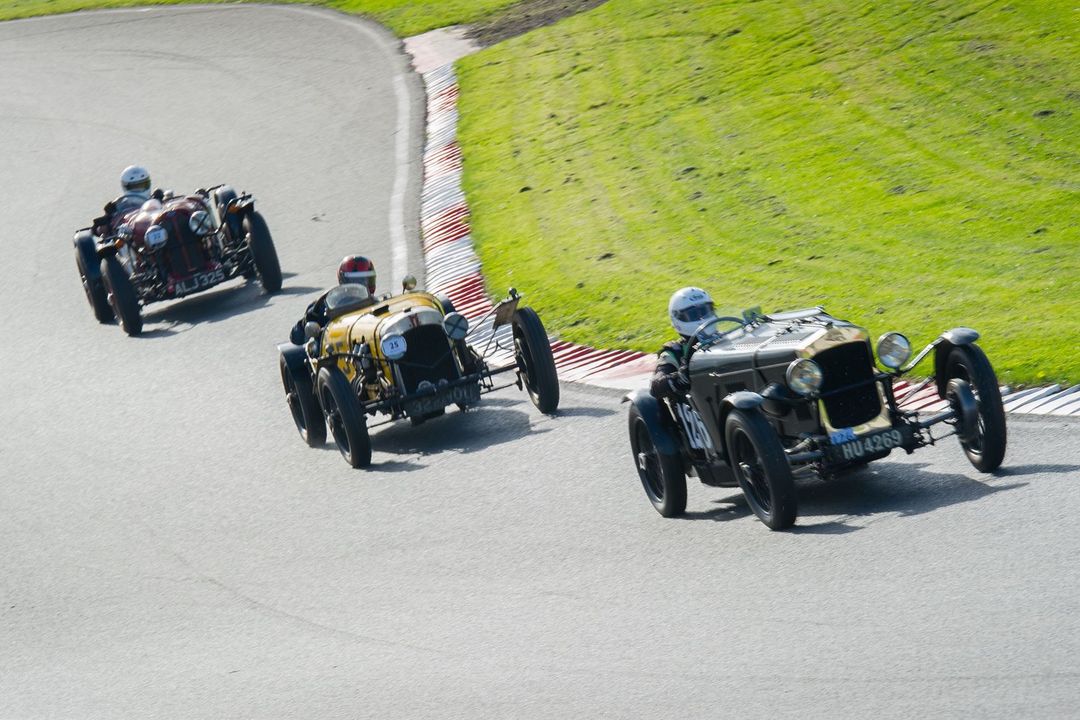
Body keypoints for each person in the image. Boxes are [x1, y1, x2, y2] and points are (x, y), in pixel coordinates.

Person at [289, 255, 377, 345]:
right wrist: (307, 320)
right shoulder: (324, 306)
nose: (361, 285)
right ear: (344, 280)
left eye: (366, 280)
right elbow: (296, 338)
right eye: (357, 281)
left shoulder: (376, 305)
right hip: (332, 349)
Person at [650, 286, 718, 400]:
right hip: (696, 403)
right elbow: (656, 387)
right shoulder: (674, 352)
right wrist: (681, 378)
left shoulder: (726, 338)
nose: (702, 318)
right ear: (678, 318)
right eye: (694, 314)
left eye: (705, 311)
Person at [92, 165, 157, 235]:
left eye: (142, 185)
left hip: (154, 233)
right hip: (126, 236)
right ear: (125, 187)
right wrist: (103, 226)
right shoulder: (115, 207)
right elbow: (98, 229)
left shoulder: (156, 200)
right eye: (134, 187)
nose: (139, 189)